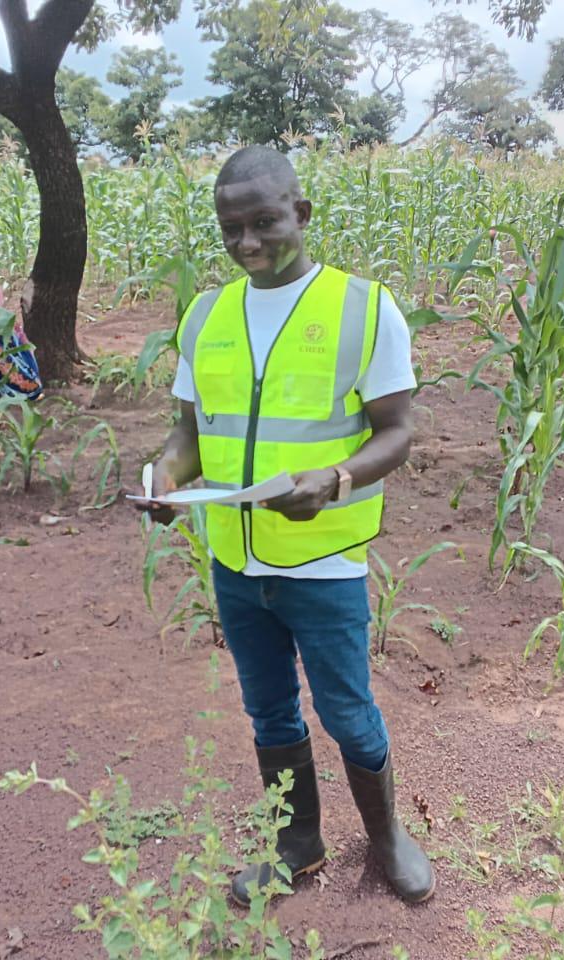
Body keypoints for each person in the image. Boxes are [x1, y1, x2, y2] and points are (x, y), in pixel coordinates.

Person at [138, 145, 433, 906]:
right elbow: (188, 433)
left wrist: (334, 481)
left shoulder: (364, 307)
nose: (247, 244)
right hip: (236, 565)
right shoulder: (206, 316)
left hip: (323, 561)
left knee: (346, 710)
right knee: (266, 708)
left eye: (264, 222)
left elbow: (397, 431)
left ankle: (386, 836)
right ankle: (297, 844)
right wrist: (165, 478)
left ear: (300, 214)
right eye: (230, 228)